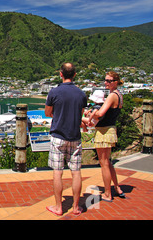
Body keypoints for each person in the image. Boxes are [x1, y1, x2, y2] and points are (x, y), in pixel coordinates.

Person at [44, 63, 87, 216]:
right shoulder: (81, 94)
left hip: (58, 136)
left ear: (60, 74)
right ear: (74, 75)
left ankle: (58, 206)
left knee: (57, 172)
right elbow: (80, 114)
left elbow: (48, 113)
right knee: (76, 172)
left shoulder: (54, 92)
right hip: (75, 136)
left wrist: (59, 114)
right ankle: (75, 207)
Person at [90, 71, 125, 201]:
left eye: (109, 81)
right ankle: (116, 187)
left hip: (104, 131)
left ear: (116, 82)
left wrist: (91, 114)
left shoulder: (111, 96)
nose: (106, 83)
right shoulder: (119, 95)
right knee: (108, 163)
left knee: (104, 163)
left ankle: (107, 193)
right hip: (111, 129)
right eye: (105, 80)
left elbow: (100, 114)